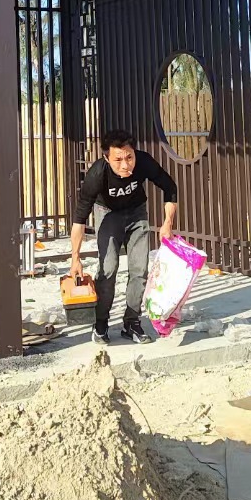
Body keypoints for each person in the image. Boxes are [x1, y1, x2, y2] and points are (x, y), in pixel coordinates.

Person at [69, 128, 179, 345]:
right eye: (118, 160)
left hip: (137, 213)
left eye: (129, 157)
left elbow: (170, 187)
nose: (125, 165)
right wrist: (75, 258)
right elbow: (79, 220)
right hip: (108, 214)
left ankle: (132, 322)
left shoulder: (144, 162)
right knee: (108, 268)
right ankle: (101, 322)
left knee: (139, 269)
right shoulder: (96, 175)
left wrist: (168, 223)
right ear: (107, 158)